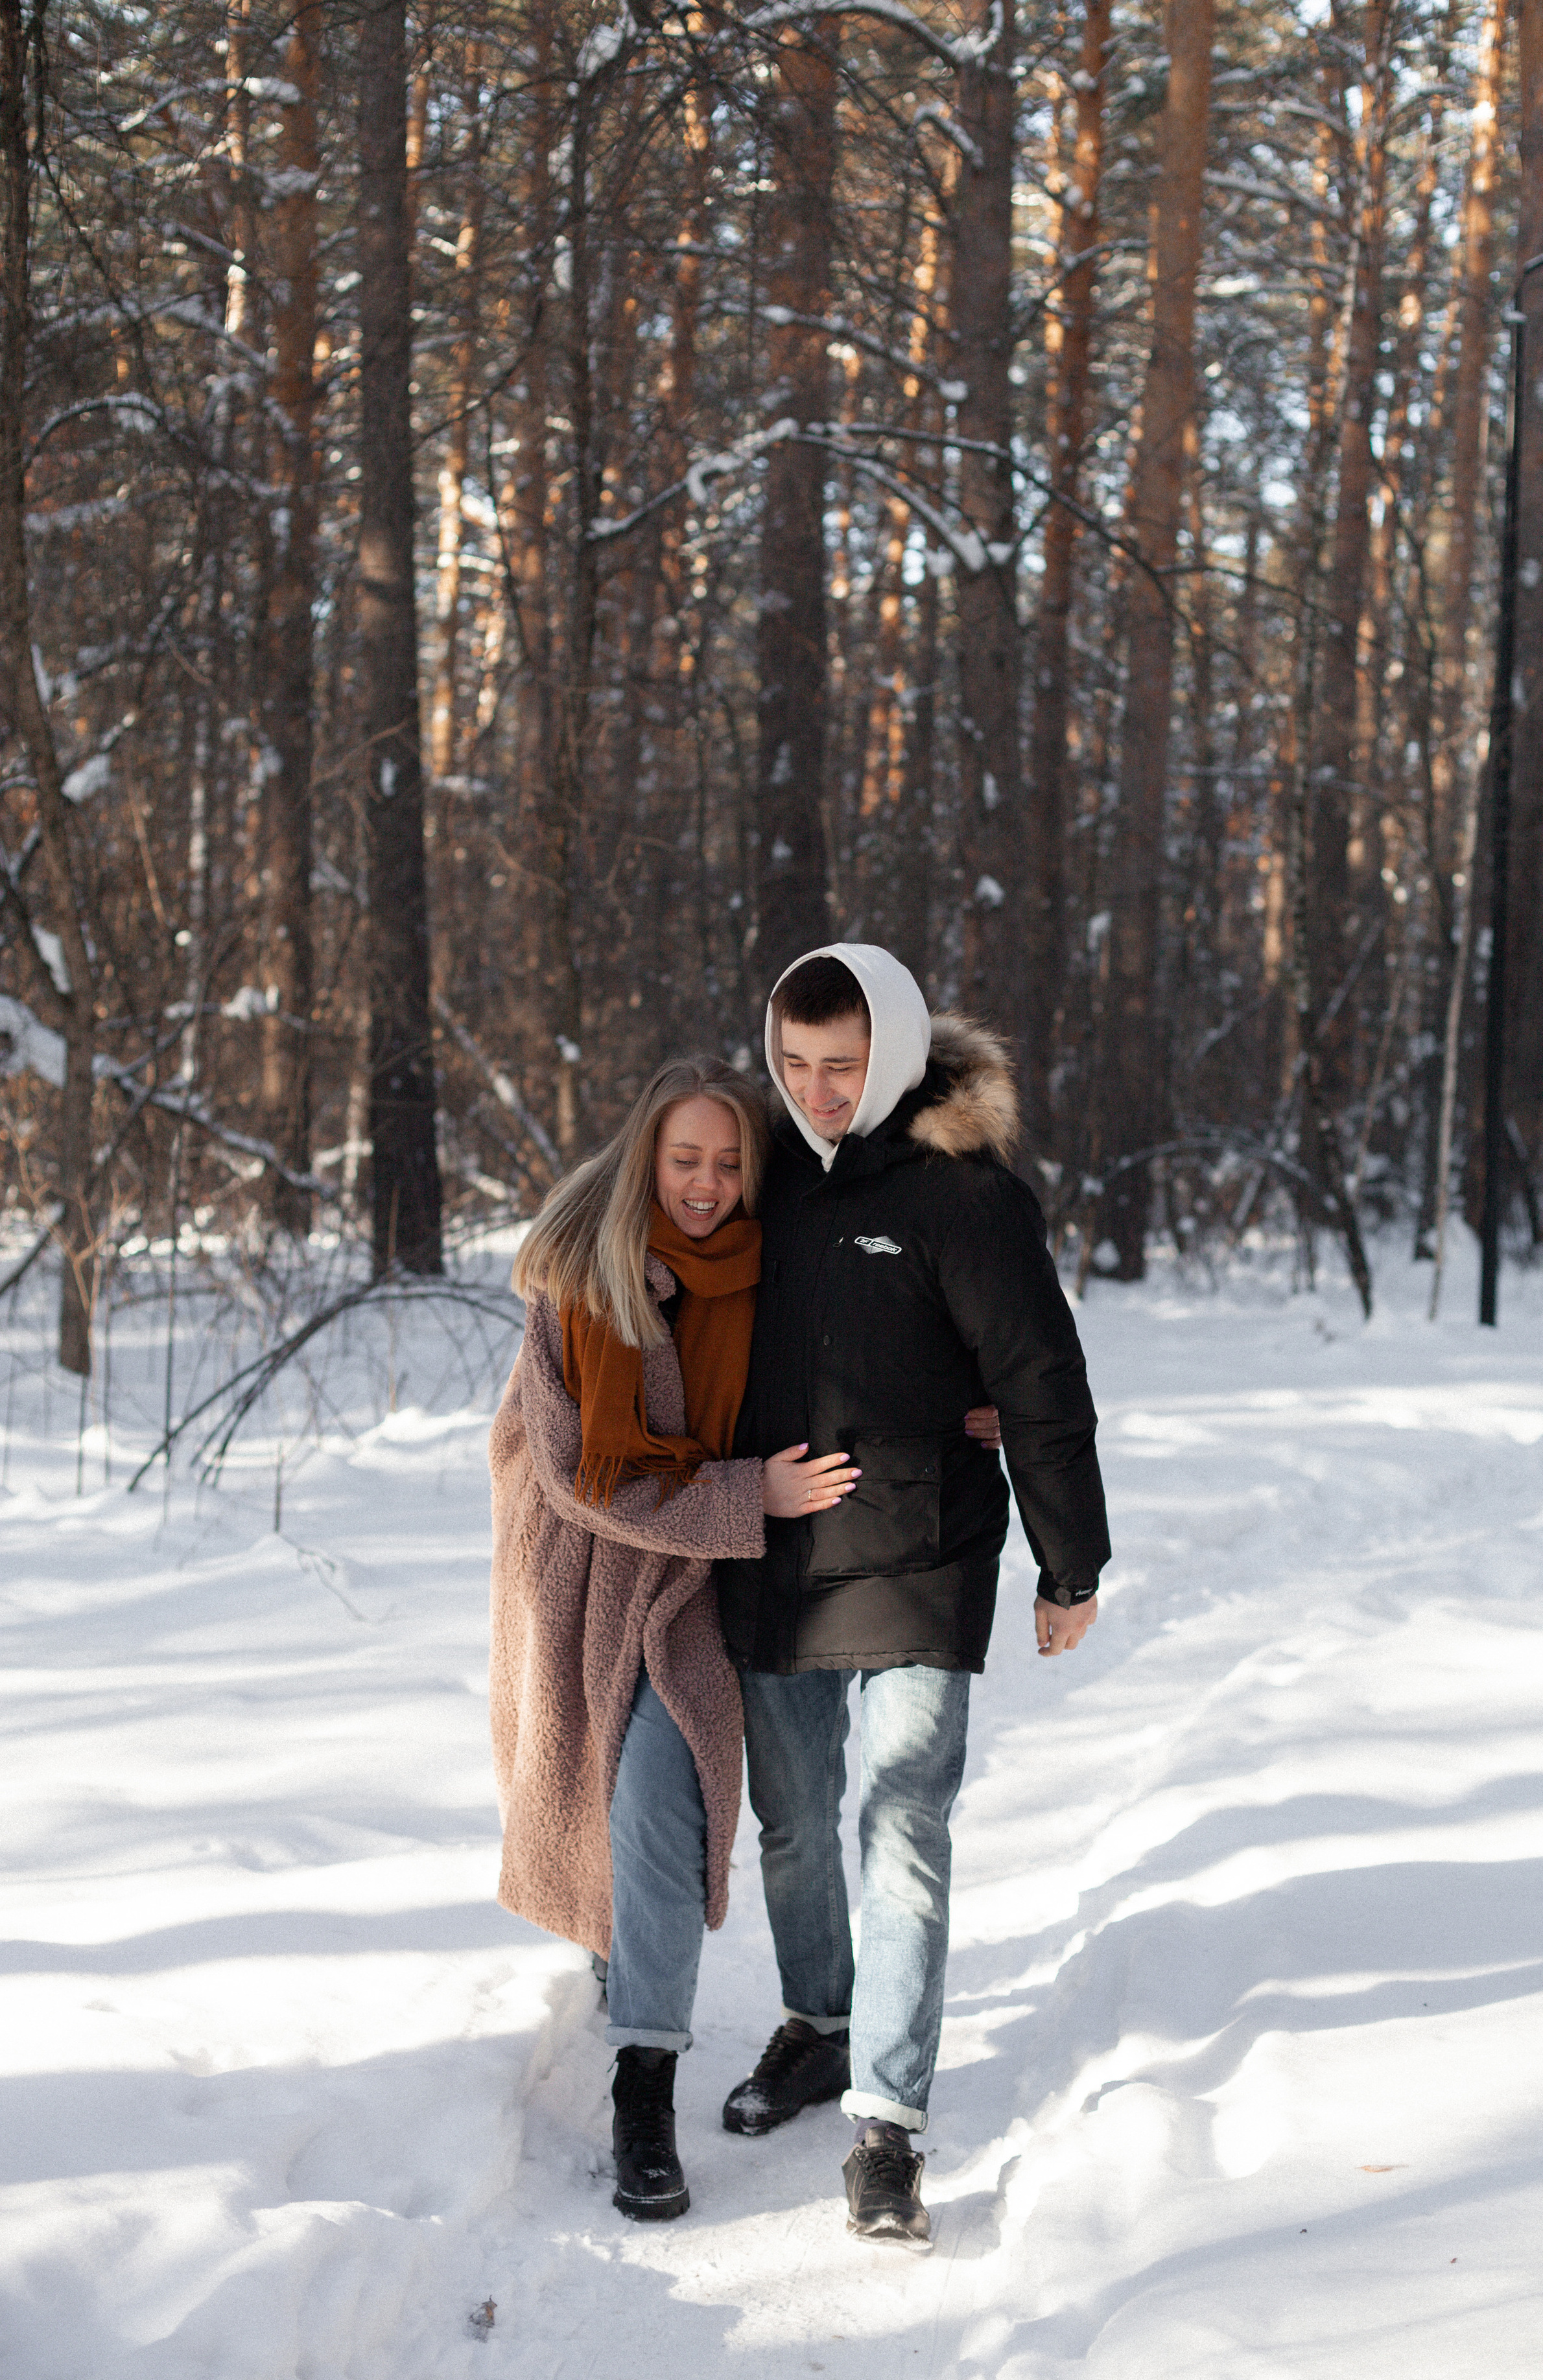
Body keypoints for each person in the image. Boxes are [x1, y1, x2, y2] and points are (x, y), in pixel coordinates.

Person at [718, 945, 1112, 2251]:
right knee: (788, 1826)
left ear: (886, 1055)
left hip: (924, 1554)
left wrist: (1068, 1566)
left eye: (841, 1067)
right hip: (774, 1558)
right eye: (793, 1065)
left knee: (901, 1834)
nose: (816, 1091)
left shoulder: (961, 1196)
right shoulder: (753, 1172)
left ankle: (885, 2123)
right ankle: (815, 2020)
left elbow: (1040, 1381)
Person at [488, 1057, 858, 2222]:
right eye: (685, 1159)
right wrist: (748, 1497)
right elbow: (575, 1475)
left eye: (729, 1162)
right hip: (596, 1573)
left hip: (712, 1579)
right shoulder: (574, 1271)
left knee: (667, 1800)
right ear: (648, 1152)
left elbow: (870, 1356)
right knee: (641, 1797)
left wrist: (977, 1405)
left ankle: (660, 2047)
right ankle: (643, 2093)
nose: (705, 1185)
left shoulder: (776, 1270)